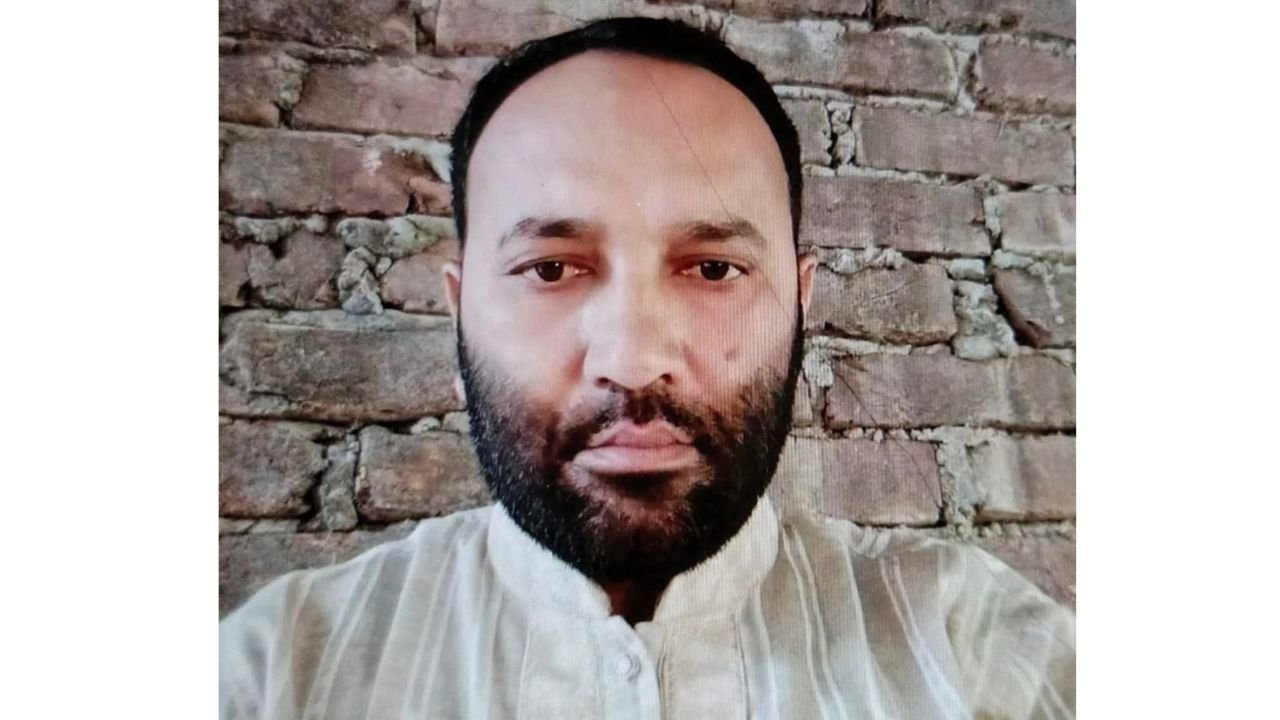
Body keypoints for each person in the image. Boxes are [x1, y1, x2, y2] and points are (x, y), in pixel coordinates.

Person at [220, 17, 1075, 720]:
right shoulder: (276, 673)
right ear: (459, 313)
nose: (632, 361)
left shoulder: (974, 647)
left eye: (714, 269)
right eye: (550, 269)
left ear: (799, 307)